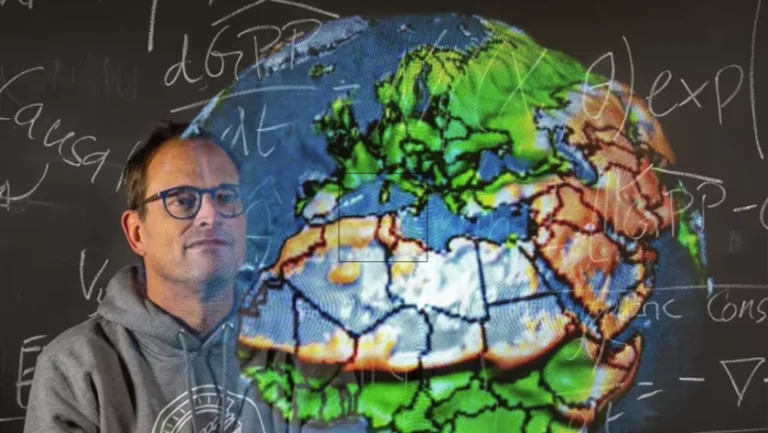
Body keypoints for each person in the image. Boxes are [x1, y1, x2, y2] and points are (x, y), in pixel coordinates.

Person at [23, 120, 275, 433]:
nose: (211, 215)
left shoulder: (306, 352)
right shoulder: (75, 368)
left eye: (225, 197)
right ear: (137, 233)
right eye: (182, 200)